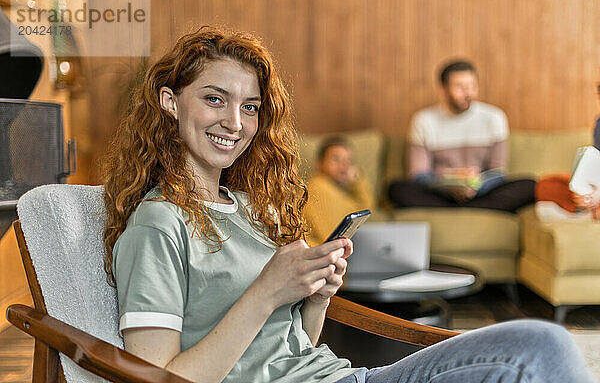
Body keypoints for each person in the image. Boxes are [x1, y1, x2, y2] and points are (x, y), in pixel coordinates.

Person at [101, 27, 593, 383]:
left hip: (343, 376)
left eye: (250, 106)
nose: (235, 122)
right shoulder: (159, 224)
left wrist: (315, 298)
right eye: (214, 99)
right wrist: (267, 292)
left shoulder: (249, 209)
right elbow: (154, 380)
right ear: (170, 102)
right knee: (539, 349)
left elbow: (294, 350)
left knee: (535, 352)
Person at [388, 60, 536, 213]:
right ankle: (473, 210)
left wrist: (474, 185)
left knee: (530, 185)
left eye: (472, 86)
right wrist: (450, 181)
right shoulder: (423, 120)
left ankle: (456, 209)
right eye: (460, 87)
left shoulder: (494, 117)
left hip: (480, 192)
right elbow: (419, 176)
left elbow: (498, 173)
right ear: (443, 89)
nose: (468, 93)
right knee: (397, 189)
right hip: (440, 193)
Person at [304, 136, 374, 246]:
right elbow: (329, 238)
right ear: (319, 165)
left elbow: (363, 209)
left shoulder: (337, 192)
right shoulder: (318, 187)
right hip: (315, 254)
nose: (344, 166)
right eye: (336, 159)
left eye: (348, 161)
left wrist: (356, 180)